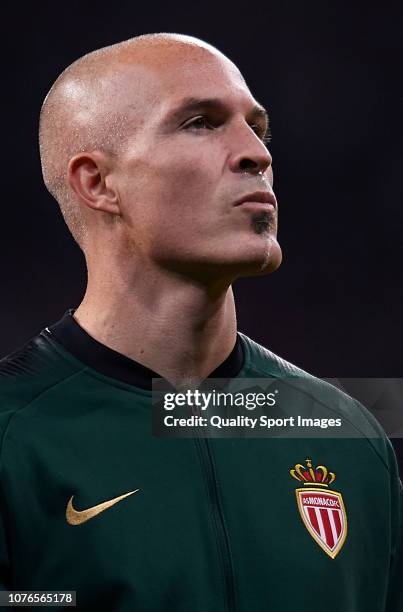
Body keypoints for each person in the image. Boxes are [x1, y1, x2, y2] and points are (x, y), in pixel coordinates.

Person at [0, 33, 401, 611]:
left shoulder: (348, 433)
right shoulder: (14, 437)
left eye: (257, 129)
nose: (256, 154)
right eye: (200, 123)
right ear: (98, 183)